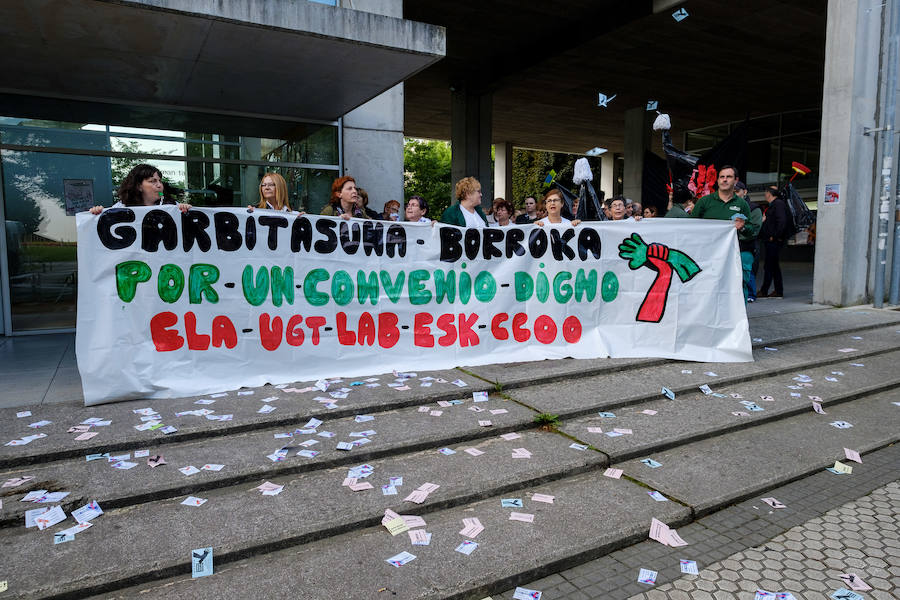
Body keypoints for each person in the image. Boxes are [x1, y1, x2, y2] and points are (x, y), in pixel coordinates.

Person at [89, 163, 191, 214]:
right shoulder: (122, 207)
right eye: (153, 181)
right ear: (139, 187)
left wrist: (186, 209)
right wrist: (97, 213)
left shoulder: (172, 205)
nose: (159, 185)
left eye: (159, 181)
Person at [758, 185, 790, 298]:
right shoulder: (773, 205)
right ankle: (778, 290)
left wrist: (774, 236)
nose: (765, 195)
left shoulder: (778, 204)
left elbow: (782, 222)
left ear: (769, 193)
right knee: (774, 266)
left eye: (766, 192)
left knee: (769, 266)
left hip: (774, 241)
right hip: (771, 240)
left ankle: (764, 290)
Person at [733, 210, 761, 302]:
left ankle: (751, 294)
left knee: (747, 273)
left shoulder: (752, 208)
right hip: (736, 246)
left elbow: (754, 230)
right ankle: (750, 294)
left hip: (746, 247)